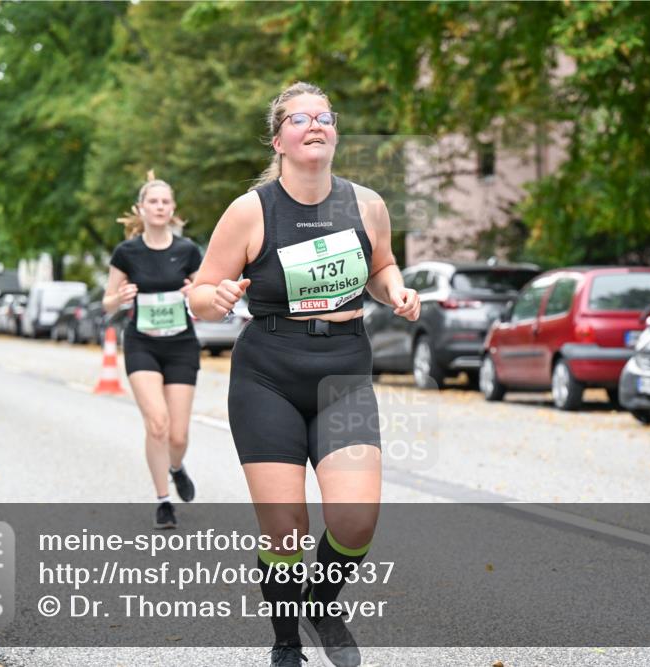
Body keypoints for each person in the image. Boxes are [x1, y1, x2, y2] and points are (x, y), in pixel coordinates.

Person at [189, 82, 420, 667]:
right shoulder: (251, 210)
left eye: (324, 117)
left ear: (335, 133)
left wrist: (395, 291)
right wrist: (214, 297)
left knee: (355, 520)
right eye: (299, 119)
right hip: (268, 371)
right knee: (286, 529)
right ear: (280, 140)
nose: (314, 125)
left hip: (344, 367)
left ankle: (322, 604)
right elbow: (200, 292)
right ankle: (286, 641)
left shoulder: (367, 204)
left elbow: (382, 264)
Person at [103, 173, 202, 529]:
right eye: (153, 202)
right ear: (142, 209)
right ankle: (163, 501)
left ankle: (176, 467)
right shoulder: (127, 252)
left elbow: (205, 300)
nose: (159, 207)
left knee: (178, 435)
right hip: (142, 343)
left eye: (165, 202)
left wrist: (196, 295)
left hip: (181, 345)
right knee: (157, 423)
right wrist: (120, 297)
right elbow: (107, 303)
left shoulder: (187, 251)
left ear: (172, 209)